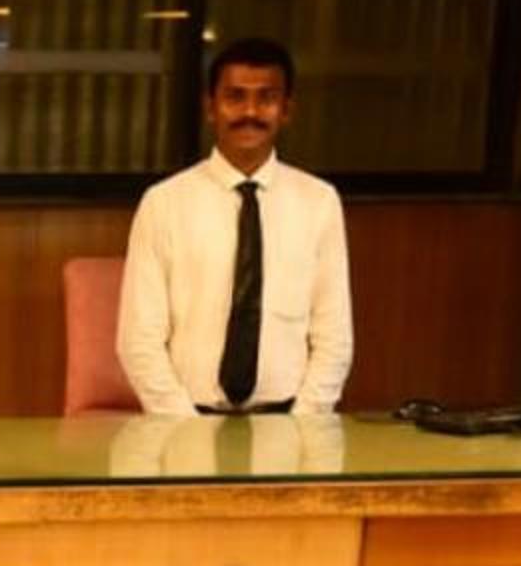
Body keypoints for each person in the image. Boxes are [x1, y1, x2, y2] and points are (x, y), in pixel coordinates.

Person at [116, 36, 352, 418]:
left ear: (287, 110)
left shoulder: (319, 203)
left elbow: (334, 337)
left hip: (290, 422)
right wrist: (185, 428)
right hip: (184, 422)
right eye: (235, 97)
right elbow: (138, 341)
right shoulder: (163, 203)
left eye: (267, 98)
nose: (250, 112)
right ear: (211, 107)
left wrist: (301, 425)